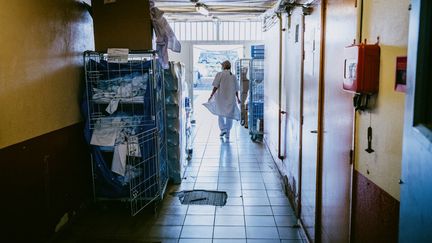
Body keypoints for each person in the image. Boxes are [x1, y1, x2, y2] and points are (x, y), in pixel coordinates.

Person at [206, 60, 241, 140]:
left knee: (220, 113)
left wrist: (211, 95)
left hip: (221, 98)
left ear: (223, 66)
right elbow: (236, 89)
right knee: (229, 115)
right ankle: (228, 132)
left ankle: (223, 129)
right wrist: (237, 98)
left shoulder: (220, 74)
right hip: (230, 98)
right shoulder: (233, 76)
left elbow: (215, 86)